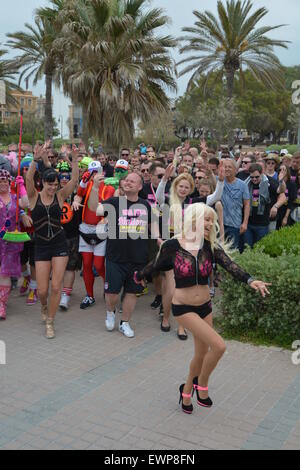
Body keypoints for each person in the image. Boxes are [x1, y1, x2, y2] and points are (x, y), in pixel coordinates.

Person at [134, 203, 271, 413]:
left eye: (212, 220)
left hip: (205, 306)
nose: (210, 224)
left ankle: (186, 390)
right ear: (193, 218)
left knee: (201, 353)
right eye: (206, 219)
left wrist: (251, 280)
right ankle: (202, 384)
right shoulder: (173, 245)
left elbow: (231, 265)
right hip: (183, 308)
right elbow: (156, 265)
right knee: (219, 346)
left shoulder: (210, 246)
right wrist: (139, 276)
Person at [155, 164, 225, 339]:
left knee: (182, 287)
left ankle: (182, 326)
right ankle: (165, 317)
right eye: (181, 186)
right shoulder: (168, 200)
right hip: (171, 247)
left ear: (191, 189)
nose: (183, 189)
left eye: (187, 187)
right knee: (170, 289)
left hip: (189, 249)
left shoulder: (194, 203)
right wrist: (164, 179)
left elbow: (215, 196)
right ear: (176, 186)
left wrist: (221, 180)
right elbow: (157, 196)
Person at [89, 172, 160, 338]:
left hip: (138, 258)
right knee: (112, 293)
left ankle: (125, 323)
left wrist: (157, 238)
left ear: (140, 186)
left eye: (132, 181)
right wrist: (95, 187)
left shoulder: (145, 205)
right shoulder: (114, 202)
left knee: (132, 291)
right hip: (115, 256)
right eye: (126, 180)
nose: (128, 183)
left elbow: (152, 223)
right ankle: (110, 312)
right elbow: (94, 208)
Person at [26, 143, 80, 339]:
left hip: (59, 244)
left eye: (55, 185)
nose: (52, 188)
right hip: (41, 245)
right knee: (42, 290)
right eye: (50, 184)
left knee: (56, 286)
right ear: (43, 183)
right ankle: (43, 305)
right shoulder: (33, 197)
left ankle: (50, 320)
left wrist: (74, 161)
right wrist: (35, 159)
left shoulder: (60, 196)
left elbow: (74, 179)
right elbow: (28, 178)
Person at [73, 161, 116, 310]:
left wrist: (95, 187)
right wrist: (77, 197)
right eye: (91, 172)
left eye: (96, 172)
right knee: (86, 264)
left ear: (101, 172)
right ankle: (89, 295)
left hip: (101, 230)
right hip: (85, 229)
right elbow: (79, 195)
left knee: (98, 265)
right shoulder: (87, 184)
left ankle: (107, 286)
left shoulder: (109, 188)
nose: (93, 175)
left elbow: (101, 207)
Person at [0, 170, 29, 319]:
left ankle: (2, 305)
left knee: (4, 273)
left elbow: (26, 204)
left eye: (6, 181)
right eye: (1, 180)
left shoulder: (14, 197)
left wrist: (21, 185)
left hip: (10, 241)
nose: (3, 183)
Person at [56, 161, 82, 311]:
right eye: (62, 177)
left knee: (70, 267)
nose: (65, 179)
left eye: (67, 177)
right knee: (57, 267)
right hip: (56, 236)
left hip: (73, 235)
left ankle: (65, 296)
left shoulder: (77, 194)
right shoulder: (53, 193)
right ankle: (57, 292)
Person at [244, 164, 287, 248]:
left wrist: (281, 181)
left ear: (262, 173)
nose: (254, 179)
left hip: (262, 224)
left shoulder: (269, 182)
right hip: (248, 223)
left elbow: (281, 190)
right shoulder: (246, 183)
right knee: (247, 248)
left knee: (260, 249)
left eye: (257, 177)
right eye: (252, 177)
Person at [221, 159, 250, 251]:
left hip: (234, 224)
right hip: (220, 223)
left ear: (235, 170)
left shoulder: (242, 185)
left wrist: (245, 223)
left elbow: (247, 204)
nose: (227, 169)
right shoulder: (219, 182)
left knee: (232, 251)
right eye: (225, 167)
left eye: (230, 167)